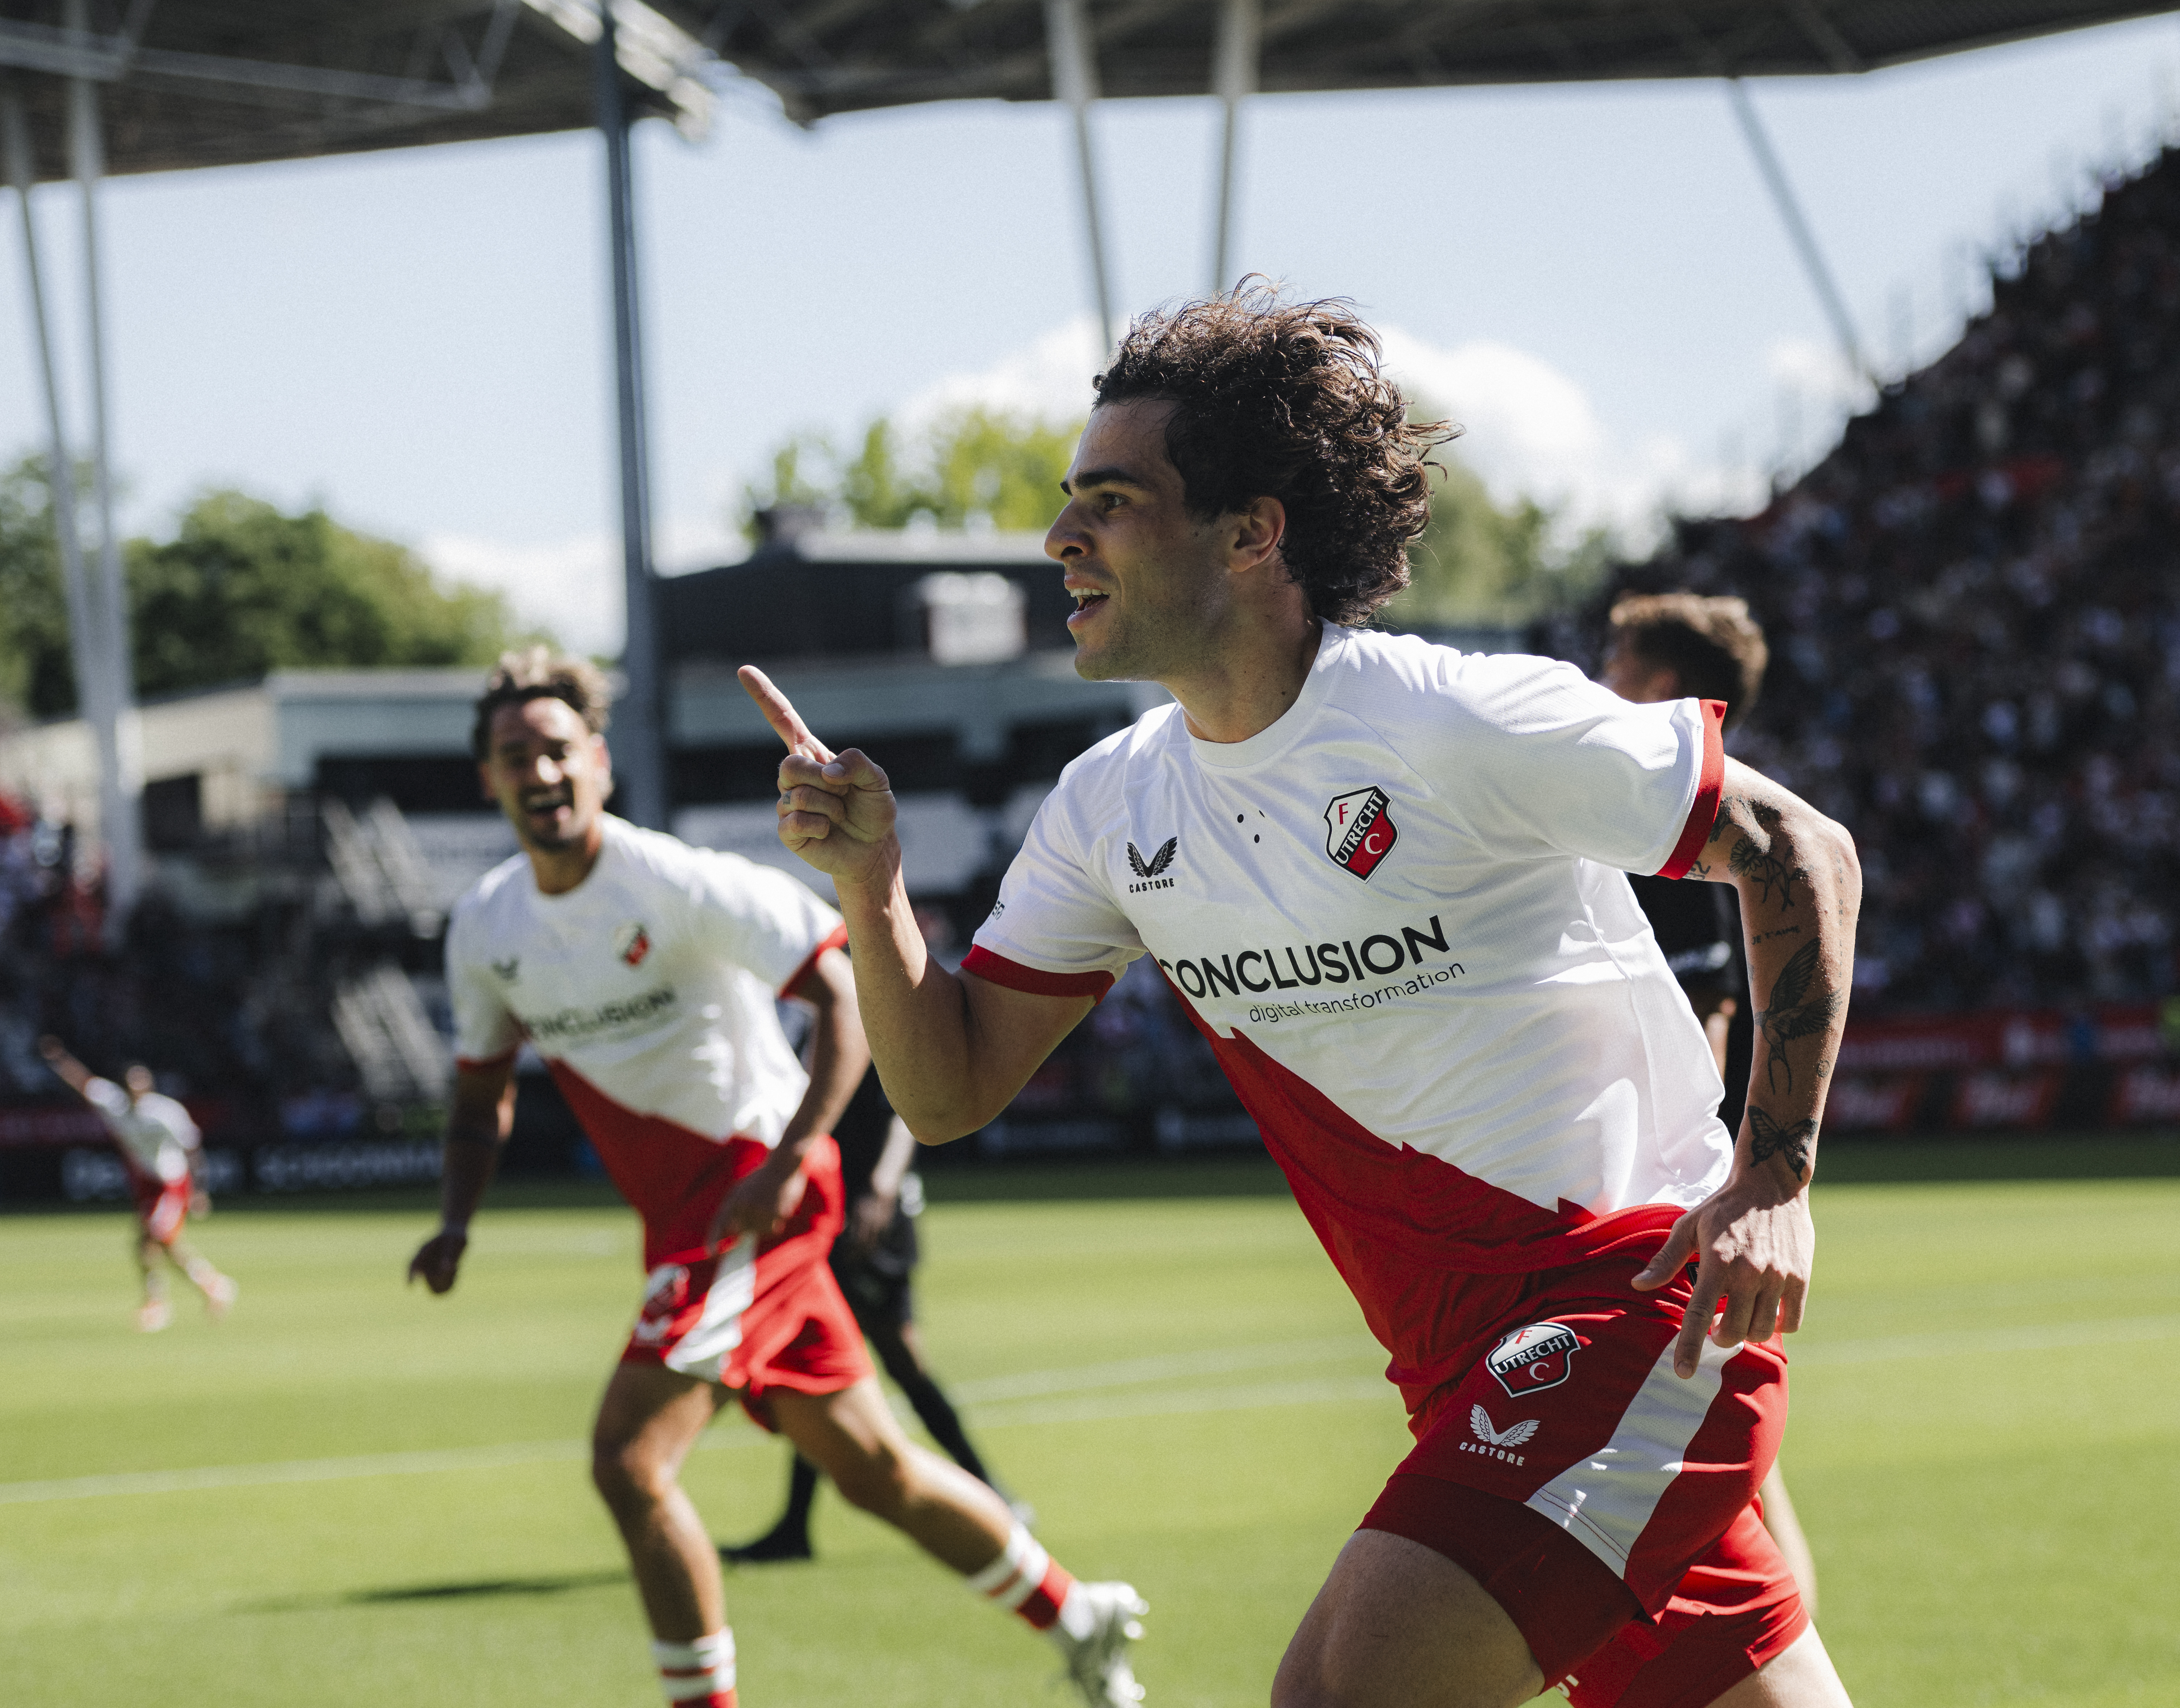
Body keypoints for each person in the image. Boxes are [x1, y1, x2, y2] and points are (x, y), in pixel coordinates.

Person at [745, 283, 1861, 1708]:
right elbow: (947, 1086)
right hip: (1456, 1365)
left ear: (1249, 530)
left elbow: (1796, 849)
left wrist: (1773, 1176)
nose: (1058, 536)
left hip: (1627, 1306)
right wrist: (871, 881)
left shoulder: (1451, 717)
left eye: (1111, 498)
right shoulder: (1110, 802)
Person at [406, 648, 1148, 1708]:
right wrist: (454, 1223)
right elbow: (482, 1097)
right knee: (873, 1474)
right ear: (488, 778)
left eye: (557, 750)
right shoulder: (486, 926)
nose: (540, 772)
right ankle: (1081, 1614)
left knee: (627, 1461)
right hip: (687, 1226)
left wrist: (795, 1157)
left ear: (599, 763)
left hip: (756, 1203)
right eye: (514, 755)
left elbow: (843, 997)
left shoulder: (678, 883)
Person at [1600, 592, 1820, 1620]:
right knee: (1731, 1474)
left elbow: (1707, 1014)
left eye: (1616, 656)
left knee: (1736, 1478)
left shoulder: (1667, 824)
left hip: (1656, 1197)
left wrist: (1693, 1179)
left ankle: (1787, 1657)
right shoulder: (1630, 806)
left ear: (1660, 685)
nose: (1600, 673)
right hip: (1648, 1191)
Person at [721, 1087, 1011, 1565]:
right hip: (833, 1205)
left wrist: (882, 1188)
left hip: (871, 1213)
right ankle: (794, 1528)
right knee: (817, 1362)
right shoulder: (805, 1024)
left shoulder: (857, 1019)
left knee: (894, 1358)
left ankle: (992, 1497)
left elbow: (903, 1110)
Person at [39, 1035, 237, 1332]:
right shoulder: (113, 1104)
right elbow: (83, 1081)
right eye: (133, 1086)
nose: (138, 1091)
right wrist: (59, 1059)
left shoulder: (165, 1113)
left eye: (143, 1085)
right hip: (145, 1181)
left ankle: (161, 1302)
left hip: (171, 1182)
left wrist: (199, 1189)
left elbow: (192, 1148)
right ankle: (211, 1286)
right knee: (155, 1245)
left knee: (152, 1240)